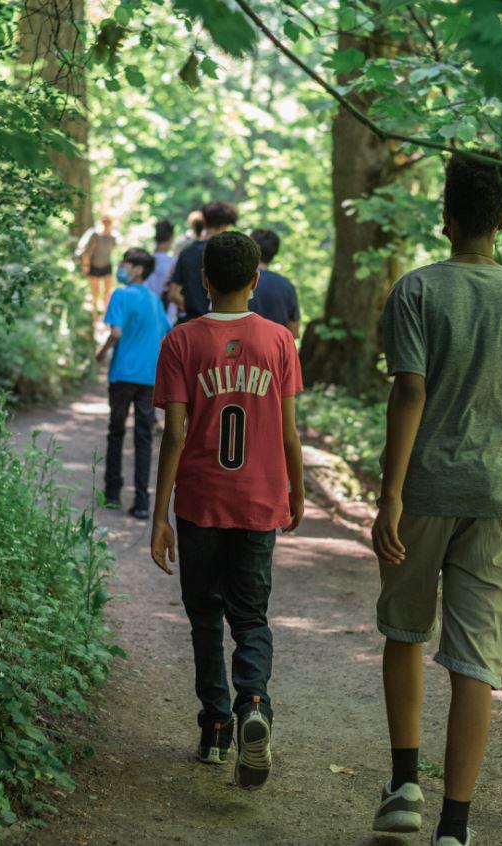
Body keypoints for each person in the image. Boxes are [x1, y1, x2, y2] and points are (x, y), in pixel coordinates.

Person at [370, 151, 502, 846]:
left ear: (444, 215)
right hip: (497, 497)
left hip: (423, 490)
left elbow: (410, 391)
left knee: (404, 631)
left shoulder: (416, 292)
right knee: (474, 663)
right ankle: (454, 826)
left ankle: (403, 787)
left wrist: (389, 494)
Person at [149, 231, 305, 791]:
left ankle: (215, 726)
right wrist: (298, 489)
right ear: (257, 280)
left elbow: (173, 434)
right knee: (251, 616)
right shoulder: (280, 341)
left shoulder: (181, 341)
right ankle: (254, 704)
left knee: (204, 616)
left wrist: (160, 514)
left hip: (200, 501)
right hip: (261, 500)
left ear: (204, 280)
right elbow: (288, 430)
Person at [96, 248, 170, 519]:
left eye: (126, 264)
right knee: (144, 437)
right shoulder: (155, 301)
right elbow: (165, 334)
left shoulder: (121, 295)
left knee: (116, 431)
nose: (121, 268)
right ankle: (141, 502)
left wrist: (102, 352)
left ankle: (113, 494)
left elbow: (115, 332)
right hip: (149, 378)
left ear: (139, 269)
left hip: (122, 374)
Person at [165, 200, 237, 324]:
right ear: (224, 226)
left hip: (189, 323)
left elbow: (173, 293)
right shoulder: (229, 253)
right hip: (219, 324)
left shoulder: (187, 252)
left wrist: (192, 308)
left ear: (204, 220)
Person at [247, 228, 301, 337]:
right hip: (275, 350)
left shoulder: (236, 281)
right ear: (274, 252)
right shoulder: (287, 286)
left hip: (240, 350)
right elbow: (294, 332)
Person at [77, 214, 119, 319]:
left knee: (107, 292)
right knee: (95, 293)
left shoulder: (112, 238)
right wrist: (86, 265)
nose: (106, 224)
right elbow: (87, 252)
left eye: (108, 222)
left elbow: (112, 250)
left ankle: (106, 315)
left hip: (107, 266)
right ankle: (94, 316)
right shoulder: (95, 236)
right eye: (105, 222)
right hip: (95, 266)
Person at [144, 219, 179, 325]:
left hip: (146, 310)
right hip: (166, 314)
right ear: (170, 239)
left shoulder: (144, 260)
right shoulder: (174, 262)